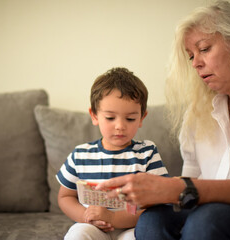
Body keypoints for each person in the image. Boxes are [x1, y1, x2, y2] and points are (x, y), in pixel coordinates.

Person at [96, 1, 230, 239]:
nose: (196, 62)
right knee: (153, 219)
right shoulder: (198, 114)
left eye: (204, 49)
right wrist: (153, 192)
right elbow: (190, 183)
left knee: (209, 219)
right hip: (210, 216)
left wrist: (176, 188)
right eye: (191, 56)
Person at [56, 67, 169, 240]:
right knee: (78, 234)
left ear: (141, 118)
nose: (120, 126)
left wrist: (114, 218)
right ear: (94, 116)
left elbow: (161, 200)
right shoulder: (80, 155)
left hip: (132, 227)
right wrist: (86, 215)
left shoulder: (147, 152)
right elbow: (65, 196)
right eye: (110, 118)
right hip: (93, 226)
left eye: (130, 118)